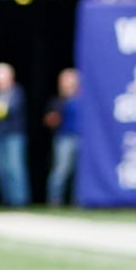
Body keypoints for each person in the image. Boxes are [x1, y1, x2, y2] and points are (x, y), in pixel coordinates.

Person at [0, 62, 29, 207]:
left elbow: (10, 110)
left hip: (14, 135)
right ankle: (7, 200)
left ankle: (19, 201)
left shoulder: (17, 92)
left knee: (15, 168)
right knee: (1, 169)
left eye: (1, 76)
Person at [43, 68, 81, 206]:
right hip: (64, 139)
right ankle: (54, 200)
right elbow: (49, 120)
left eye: (71, 79)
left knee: (81, 173)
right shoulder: (58, 101)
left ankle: (78, 201)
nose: (68, 82)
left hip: (83, 139)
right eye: (65, 79)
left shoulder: (85, 99)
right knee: (60, 171)